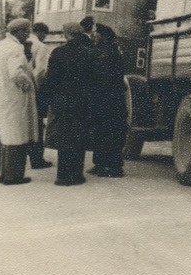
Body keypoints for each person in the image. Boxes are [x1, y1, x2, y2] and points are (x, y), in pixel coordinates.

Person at [39, 22, 97, 186]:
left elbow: (51, 80)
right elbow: (94, 80)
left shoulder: (58, 52)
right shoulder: (89, 53)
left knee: (64, 137)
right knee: (79, 136)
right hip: (82, 101)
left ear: (66, 35)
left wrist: (45, 100)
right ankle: (76, 175)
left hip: (62, 101)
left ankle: (63, 176)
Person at [0, 18, 39, 185]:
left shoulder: (1, 45)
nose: (28, 35)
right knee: (17, 137)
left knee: (7, 136)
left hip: (3, 96)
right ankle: (14, 176)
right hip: (15, 98)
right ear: (18, 32)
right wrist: (29, 86)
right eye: (26, 31)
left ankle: (5, 174)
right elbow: (16, 74)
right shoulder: (15, 49)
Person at [87, 23, 128, 178]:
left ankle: (114, 167)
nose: (94, 35)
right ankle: (100, 164)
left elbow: (105, 77)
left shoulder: (110, 53)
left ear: (104, 36)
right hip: (102, 98)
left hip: (111, 99)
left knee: (111, 132)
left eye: (96, 33)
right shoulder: (101, 51)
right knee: (100, 131)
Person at [25, 21, 54, 170]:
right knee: (37, 125)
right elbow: (40, 72)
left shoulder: (23, 42)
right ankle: (37, 159)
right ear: (41, 33)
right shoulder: (41, 47)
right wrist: (38, 89)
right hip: (35, 90)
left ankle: (25, 155)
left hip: (22, 89)